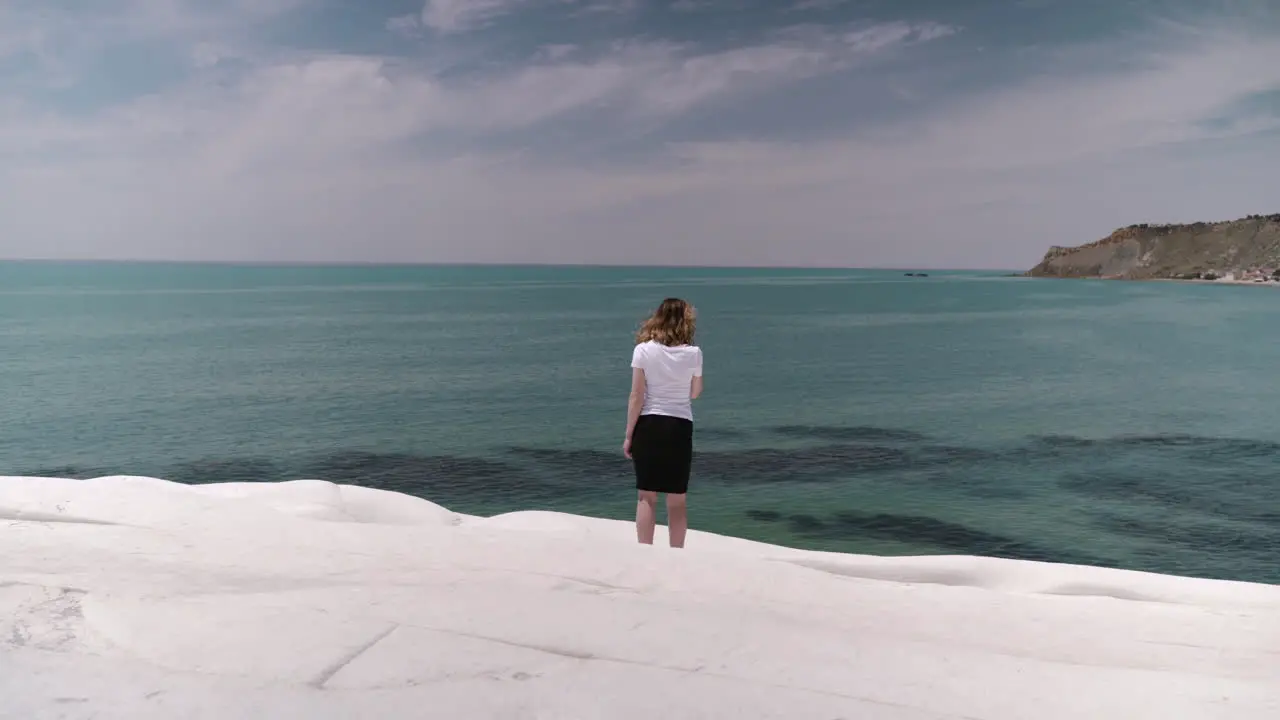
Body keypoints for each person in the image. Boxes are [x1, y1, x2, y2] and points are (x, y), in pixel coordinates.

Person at [623, 298, 703, 548]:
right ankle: (676, 554)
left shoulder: (643, 350)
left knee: (646, 496)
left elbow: (637, 395)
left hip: (648, 425)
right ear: (686, 321)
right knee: (677, 499)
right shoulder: (694, 353)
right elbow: (695, 392)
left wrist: (628, 435)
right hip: (679, 427)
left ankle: (645, 551)